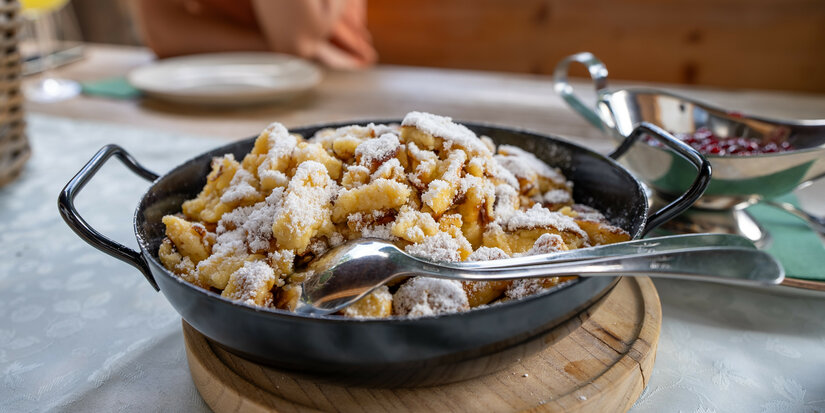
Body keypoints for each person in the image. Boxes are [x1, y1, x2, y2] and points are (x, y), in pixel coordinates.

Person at [131, 0, 377, 69]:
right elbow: (164, 33)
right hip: (222, 78)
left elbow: (295, 35)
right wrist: (272, 49)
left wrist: (293, 50)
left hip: (337, 84)